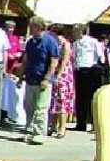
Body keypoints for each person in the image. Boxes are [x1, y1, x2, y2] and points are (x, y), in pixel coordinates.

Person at [20, 16, 59, 145]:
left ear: (38, 27)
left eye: (32, 27)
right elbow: (26, 60)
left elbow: (54, 61)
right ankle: (29, 130)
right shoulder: (30, 42)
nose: (30, 30)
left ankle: (39, 134)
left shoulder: (50, 41)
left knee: (40, 108)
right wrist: (21, 76)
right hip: (30, 79)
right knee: (28, 107)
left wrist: (47, 78)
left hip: (43, 81)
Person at [71, 23, 103, 131]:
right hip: (79, 70)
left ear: (81, 31)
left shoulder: (93, 42)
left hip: (91, 70)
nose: (74, 33)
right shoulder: (75, 43)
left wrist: (98, 66)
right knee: (80, 98)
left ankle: (95, 124)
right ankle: (81, 123)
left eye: (75, 31)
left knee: (92, 97)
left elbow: (100, 55)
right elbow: (74, 57)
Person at [47, 24, 74, 139]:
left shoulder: (65, 44)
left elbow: (64, 61)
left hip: (64, 75)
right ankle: (52, 126)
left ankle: (62, 128)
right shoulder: (54, 43)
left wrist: (58, 76)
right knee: (54, 101)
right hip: (54, 73)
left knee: (62, 101)